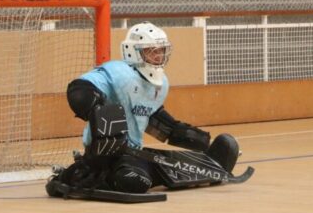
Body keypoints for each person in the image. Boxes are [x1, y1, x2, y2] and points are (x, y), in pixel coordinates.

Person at [47, 22, 239, 197]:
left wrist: (201, 141)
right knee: (134, 180)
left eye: (161, 50)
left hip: (133, 154)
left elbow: (154, 120)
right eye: (151, 51)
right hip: (103, 155)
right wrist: (98, 113)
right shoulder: (119, 73)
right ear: (133, 51)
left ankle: (212, 162)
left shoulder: (161, 84)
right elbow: (79, 89)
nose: (158, 56)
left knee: (151, 170)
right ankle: (81, 175)